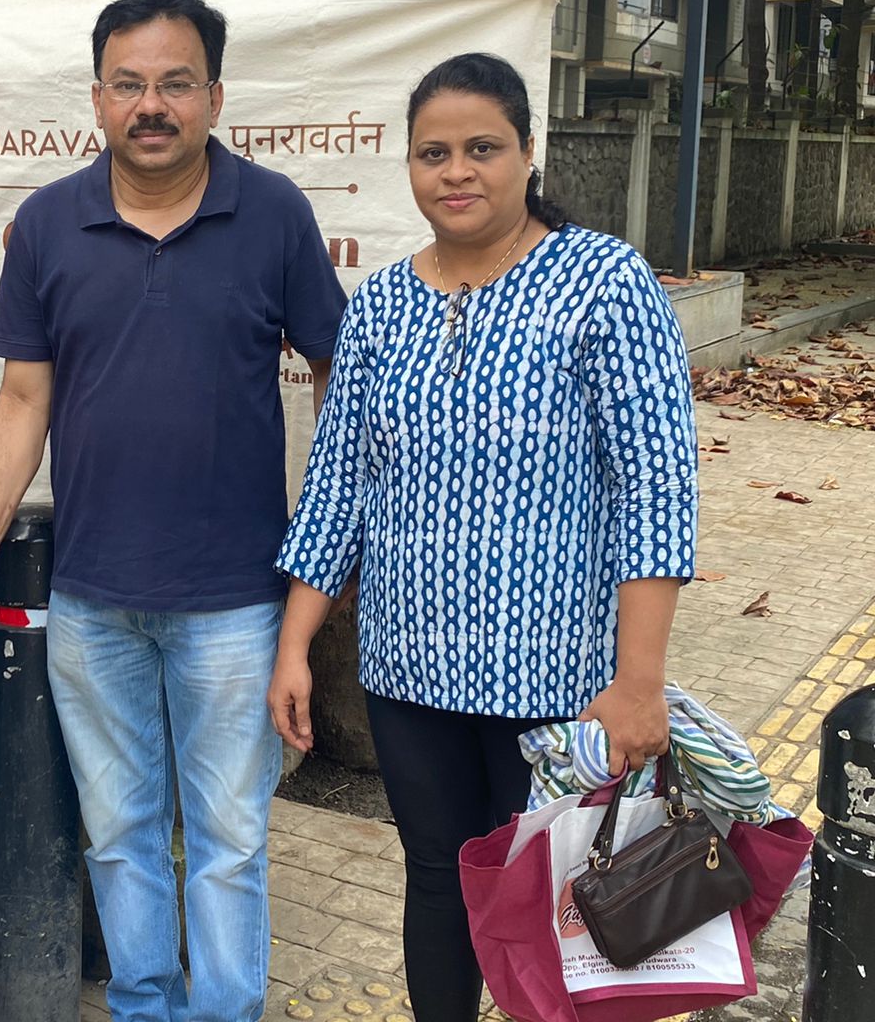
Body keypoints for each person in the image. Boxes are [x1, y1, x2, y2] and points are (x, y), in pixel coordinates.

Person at [0, 0, 346, 1022]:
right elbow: (22, 401)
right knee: (119, 835)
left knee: (229, 841)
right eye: (128, 84)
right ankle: (144, 1005)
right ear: (96, 98)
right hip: (92, 600)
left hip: (236, 603)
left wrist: (327, 542)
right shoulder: (47, 224)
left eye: (174, 84)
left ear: (215, 96)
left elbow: (335, 378)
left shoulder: (275, 214)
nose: (150, 105)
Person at [268, 52, 698, 1022]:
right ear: (409, 166)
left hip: (556, 684)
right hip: (406, 674)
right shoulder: (381, 306)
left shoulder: (602, 283)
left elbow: (655, 488)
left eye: (482, 148)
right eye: (434, 153)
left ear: (528, 152)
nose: (456, 171)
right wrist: (294, 645)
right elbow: (338, 487)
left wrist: (639, 683)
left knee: (555, 900)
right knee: (437, 878)